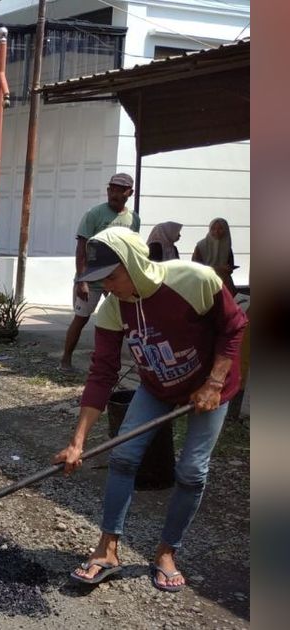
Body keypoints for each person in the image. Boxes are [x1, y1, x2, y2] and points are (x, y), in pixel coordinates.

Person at [51, 227, 247, 592]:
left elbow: (234, 327)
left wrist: (215, 382)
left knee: (191, 471)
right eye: (100, 280)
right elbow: (102, 372)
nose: (107, 287)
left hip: (211, 387)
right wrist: (77, 442)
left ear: (134, 263)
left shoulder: (195, 280)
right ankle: (107, 549)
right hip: (157, 385)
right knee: (124, 456)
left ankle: (165, 553)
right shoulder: (113, 308)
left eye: (112, 276)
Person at [60, 173, 141, 371]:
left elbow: (133, 250)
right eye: (111, 189)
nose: (114, 194)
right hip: (93, 278)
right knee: (81, 318)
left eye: (120, 190)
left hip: (119, 281)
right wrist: (82, 280)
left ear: (129, 193)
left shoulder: (133, 219)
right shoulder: (94, 214)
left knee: (126, 322)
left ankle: (114, 362)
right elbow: (81, 248)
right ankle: (65, 359)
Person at [192, 218, 238, 295]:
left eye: (220, 228)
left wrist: (228, 269)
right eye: (213, 229)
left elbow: (230, 267)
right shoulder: (201, 246)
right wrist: (219, 269)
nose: (216, 231)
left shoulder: (227, 246)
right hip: (205, 283)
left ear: (226, 230)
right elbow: (195, 268)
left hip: (224, 283)